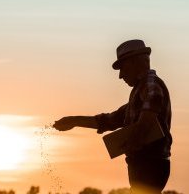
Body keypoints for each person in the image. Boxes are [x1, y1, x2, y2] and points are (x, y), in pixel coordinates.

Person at [53, 39, 172, 194]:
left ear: (136, 62)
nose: (121, 76)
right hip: (143, 166)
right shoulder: (138, 94)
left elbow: (148, 118)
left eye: (123, 68)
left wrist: (135, 139)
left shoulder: (151, 85)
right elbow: (109, 120)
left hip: (150, 165)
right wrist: (74, 121)